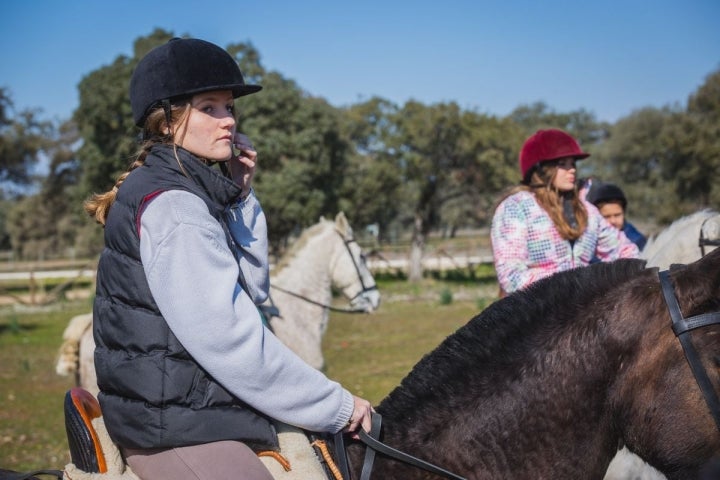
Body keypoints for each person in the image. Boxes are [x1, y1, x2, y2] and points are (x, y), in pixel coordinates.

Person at [84, 38, 372, 480]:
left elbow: (252, 292)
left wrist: (240, 194)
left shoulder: (189, 190)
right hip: (172, 426)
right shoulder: (177, 209)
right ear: (166, 122)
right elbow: (230, 340)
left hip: (189, 409)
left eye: (229, 107)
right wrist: (337, 405)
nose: (228, 122)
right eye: (209, 107)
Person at [490, 128, 640, 296]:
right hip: (532, 313)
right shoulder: (516, 208)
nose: (572, 170)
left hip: (582, 309)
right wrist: (570, 284)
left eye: (573, 163)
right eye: (562, 164)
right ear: (541, 169)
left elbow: (625, 251)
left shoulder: (588, 211)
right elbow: (511, 276)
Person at [586, 181, 647, 251]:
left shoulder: (636, 241)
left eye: (617, 215)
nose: (613, 221)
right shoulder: (589, 241)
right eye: (606, 216)